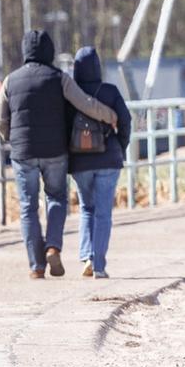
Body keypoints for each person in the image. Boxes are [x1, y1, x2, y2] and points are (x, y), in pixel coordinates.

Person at [0, 30, 117, 279]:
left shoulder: (10, 80)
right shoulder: (59, 78)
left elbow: (0, 119)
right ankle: (53, 246)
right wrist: (110, 115)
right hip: (55, 151)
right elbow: (85, 103)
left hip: (23, 152)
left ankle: (36, 266)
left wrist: (12, 139)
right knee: (57, 199)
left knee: (28, 207)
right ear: (49, 52)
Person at [69, 46, 131, 279]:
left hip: (80, 161)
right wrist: (120, 147)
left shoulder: (71, 94)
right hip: (108, 158)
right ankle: (99, 265)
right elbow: (125, 121)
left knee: (87, 208)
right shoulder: (110, 91)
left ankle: (87, 256)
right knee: (103, 213)